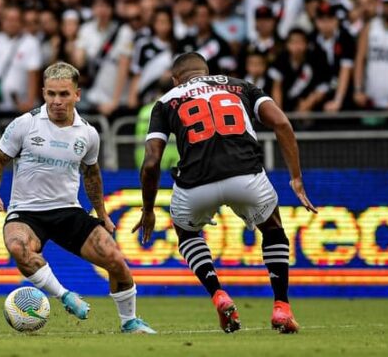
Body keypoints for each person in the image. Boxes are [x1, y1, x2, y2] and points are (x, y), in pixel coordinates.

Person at [134, 52, 317, 334]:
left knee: (187, 233)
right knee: (273, 229)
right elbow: (281, 123)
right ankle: (282, 306)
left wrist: (148, 209)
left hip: (195, 184)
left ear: (175, 79)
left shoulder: (165, 101)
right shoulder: (240, 86)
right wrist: (296, 178)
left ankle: (218, 293)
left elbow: (150, 163)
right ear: (207, 72)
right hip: (246, 176)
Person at [0, 62, 156, 334]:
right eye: (51, 93)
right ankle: (65, 296)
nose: (56, 101)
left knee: (115, 259)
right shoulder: (25, 124)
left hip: (68, 211)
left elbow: (91, 174)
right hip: (26, 212)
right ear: (43, 92)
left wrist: (102, 214)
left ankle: (130, 322)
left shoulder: (88, 133)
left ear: (77, 94)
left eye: (64, 94)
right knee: (18, 247)